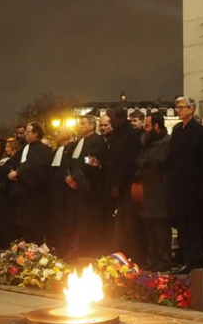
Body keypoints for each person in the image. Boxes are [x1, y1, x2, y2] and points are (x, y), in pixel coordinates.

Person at [168, 96, 203, 273]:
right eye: (177, 107)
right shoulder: (178, 130)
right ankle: (187, 259)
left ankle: (197, 260)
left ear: (191, 109)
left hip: (195, 188)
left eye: (181, 107)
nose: (178, 110)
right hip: (179, 187)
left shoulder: (202, 132)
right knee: (183, 227)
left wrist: (202, 189)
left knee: (196, 227)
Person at [136, 113, 173, 271]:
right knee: (149, 228)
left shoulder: (167, 141)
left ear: (157, 126)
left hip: (161, 189)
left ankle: (164, 260)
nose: (146, 128)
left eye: (148, 125)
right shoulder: (146, 142)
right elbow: (139, 160)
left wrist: (145, 162)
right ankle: (152, 259)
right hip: (147, 189)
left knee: (161, 229)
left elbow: (158, 161)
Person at [68, 116, 108, 257]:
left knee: (90, 221)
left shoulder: (97, 141)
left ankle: (91, 251)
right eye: (80, 124)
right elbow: (74, 160)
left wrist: (77, 175)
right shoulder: (80, 141)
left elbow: (89, 160)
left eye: (83, 123)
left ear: (92, 125)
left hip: (91, 187)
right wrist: (69, 175)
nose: (80, 126)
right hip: (78, 186)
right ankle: (81, 249)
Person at [105, 110, 142, 257]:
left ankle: (133, 254)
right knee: (120, 221)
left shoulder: (130, 135)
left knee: (129, 222)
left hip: (126, 184)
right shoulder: (116, 134)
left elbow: (127, 162)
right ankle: (120, 250)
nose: (111, 122)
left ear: (121, 118)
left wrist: (117, 184)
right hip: (116, 181)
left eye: (112, 119)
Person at [9, 122, 52, 243]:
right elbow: (15, 161)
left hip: (36, 194)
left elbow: (37, 168)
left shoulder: (42, 150)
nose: (25, 134)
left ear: (36, 133)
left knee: (35, 226)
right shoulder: (26, 148)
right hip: (24, 194)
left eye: (28, 132)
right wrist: (13, 171)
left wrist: (18, 174)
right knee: (24, 226)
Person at [47, 128, 77, 254]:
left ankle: (67, 248)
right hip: (55, 190)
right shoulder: (56, 151)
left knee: (67, 219)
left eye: (58, 132)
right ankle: (56, 246)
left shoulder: (71, 148)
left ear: (66, 134)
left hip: (66, 189)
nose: (55, 134)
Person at [0, 139, 19, 250]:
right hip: (0, 193)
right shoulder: (4, 160)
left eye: (8, 147)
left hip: (7, 194)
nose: (6, 149)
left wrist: (2, 184)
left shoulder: (14, 161)